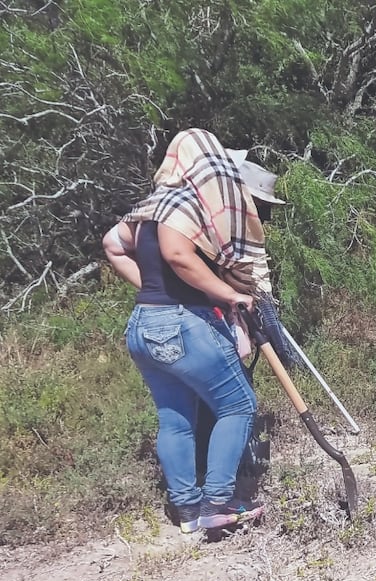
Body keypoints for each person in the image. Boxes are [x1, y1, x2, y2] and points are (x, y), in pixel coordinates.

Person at [103, 128, 285, 534]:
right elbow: (178, 255)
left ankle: (186, 513)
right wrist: (230, 295)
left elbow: (112, 245)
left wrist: (152, 289)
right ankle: (217, 503)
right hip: (183, 325)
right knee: (238, 406)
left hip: (144, 325)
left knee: (175, 419)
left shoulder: (148, 208)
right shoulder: (183, 202)